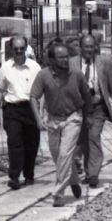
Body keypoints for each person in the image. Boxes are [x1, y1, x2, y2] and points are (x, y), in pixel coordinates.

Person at [30, 42, 90, 207]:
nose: (65, 60)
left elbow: (86, 96)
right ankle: (74, 180)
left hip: (73, 117)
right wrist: (38, 119)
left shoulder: (76, 74)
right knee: (58, 156)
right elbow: (34, 97)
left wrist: (88, 118)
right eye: (61, 57)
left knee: (64, 153)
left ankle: (58, 194)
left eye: (67, 57)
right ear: (51, 60)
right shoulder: (43, 75)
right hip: (53, 120)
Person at [69, 33, 112, 188]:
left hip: (98, 107)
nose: (89, 49)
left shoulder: (103, 63)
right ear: (80, 48)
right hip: (79, 108)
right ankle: (88, 171)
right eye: (86, 46)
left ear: (95, 47)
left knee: (94, 137)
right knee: (84, 141)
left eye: (92, 46)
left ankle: (93, 174)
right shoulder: (72, 63)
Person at [0, 35, 41, 190]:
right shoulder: (5, 68)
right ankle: (14, 177)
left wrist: (42, 113)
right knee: (14, 142)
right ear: (11, 50)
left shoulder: (35, 67)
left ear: (26, 49)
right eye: (16, 49)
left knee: (31, 143)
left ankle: (29, 174)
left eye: (22, 49)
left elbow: (42, 91)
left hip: (30, 109)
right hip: (12, 109)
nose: (19, 52)